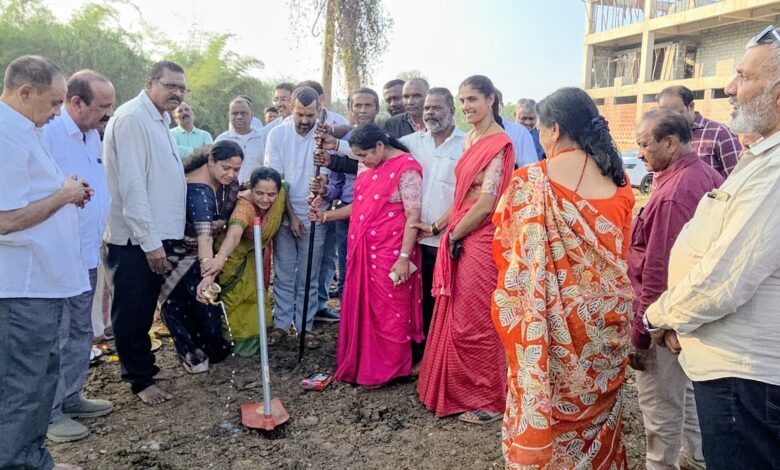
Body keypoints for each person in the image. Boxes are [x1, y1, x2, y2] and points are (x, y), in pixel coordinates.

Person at [644, 25, 780, 469]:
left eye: (744, 76)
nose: (729, 88)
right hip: (732, 372)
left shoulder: (775, 171)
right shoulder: (761, 157)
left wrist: (658, 317)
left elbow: (725, 278)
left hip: (748, 380)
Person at [492, 87, 634, 467]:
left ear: (553, 130)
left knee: (549, 408)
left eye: (540, 129)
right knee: (600, 416)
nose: (539, 137)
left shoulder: (528, 182)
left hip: (548, 327)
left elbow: (509, 254)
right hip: (606, 323)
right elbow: (620, 252)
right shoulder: (620, 182)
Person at [0, 55, 91, 470]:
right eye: (54, 102)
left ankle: (32, 459)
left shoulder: (26, 131)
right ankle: (20, 463)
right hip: (22, 286)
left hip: (40, 282)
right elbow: (5, 220)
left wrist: (65, 191)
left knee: (38, 378)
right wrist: (63, 196)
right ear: (24, 92)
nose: (58, 112)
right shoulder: (6, 136)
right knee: (23, 383)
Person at [628, 108, 723, 470]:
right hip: (691, 315)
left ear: (669, 143)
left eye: (644, 145)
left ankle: (662, 465)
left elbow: (658, 271)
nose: (640, 154)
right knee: (688, 394)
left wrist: (641, 335)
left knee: (660, 407)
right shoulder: (704, 175)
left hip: (665, 319)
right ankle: (697, 458)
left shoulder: (675, 193)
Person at [417, 75, 514, 424]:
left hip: (482, 238)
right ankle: (457, 390)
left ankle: (491, 400)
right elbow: (463, 197)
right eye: (462, 100)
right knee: (456, 316)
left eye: (472, 99)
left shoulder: (499, 143)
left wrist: (454, 235)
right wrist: (437, 228)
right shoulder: (472, 138)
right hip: (461, 232)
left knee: (477, 320)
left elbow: (487, 202)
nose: (466, 106)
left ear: (491, 100)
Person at [309, 124, 423, 386]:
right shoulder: (367, 165)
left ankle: (392, 370)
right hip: (361, 249)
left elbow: (413, 217)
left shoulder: (407, 168)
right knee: (362, 306)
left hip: (392, 251)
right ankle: (364, 365)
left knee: (389, 309)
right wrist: (325, 216)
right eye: (358, 156)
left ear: (380, 146)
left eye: (364, 155)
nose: (361, 161)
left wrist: (404, 258)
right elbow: (360, 206)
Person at [103, 60, 188, 405]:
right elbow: (133, 186)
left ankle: (145, 366)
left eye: (181, 88)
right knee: (132, 309)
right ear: (150, 82)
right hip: (134, 239)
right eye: (170, 85)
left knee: (144, 308)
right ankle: (139, 380)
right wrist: (150, 243)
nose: (177, 93)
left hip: (154, 234)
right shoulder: (132, 119)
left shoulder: (159, 119)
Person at [43, 70, 116, 443]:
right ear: (77, 103)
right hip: (58, 255)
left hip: (86, 253)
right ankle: (49, 414)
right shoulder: (50, 134)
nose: (109, 113)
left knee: (80, 331)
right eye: (103, 106)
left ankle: (71, 396)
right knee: (56, 337)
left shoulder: (91, 136)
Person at [159, 141, 241, 372]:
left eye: (236, 170)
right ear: (211, 160)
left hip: (191, 253)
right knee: (186, 304)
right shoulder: (199, 191)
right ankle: (193, 355)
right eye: (226, 168)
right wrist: (208, 272)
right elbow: (205, 237)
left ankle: (206, 351)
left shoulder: (211, 180)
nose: (231, 174)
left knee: (197, 305)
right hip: (177, 255)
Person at [263, 86, 330, 348]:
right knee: (283, 273)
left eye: (310, 115)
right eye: (300, 114)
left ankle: (304, 326)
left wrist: (321, 192)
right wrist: (291, 216)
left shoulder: (324, 137)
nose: (304, 120)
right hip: (284, 215)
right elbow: (277, 182)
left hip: (315, 217)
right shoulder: (277, 135)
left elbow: (328, 177)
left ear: (319, 110)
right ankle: (281, 324)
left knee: (308, 275)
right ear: (291, 108)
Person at [402, 87, 465, 362]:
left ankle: (439, 357)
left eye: (436, 107)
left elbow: (469, 194)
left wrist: (439, 227)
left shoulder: (466, 144)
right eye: (427, 108)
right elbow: (374, 149)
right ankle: (418, 354)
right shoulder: (411, 142)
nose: (430, 113)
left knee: (441, 299)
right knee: (414, 299)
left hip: (447, 238)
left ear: (451, 110)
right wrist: (336, 147)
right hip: (414, 237)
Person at [200, 167, 287, 357]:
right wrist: (220, 258)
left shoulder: (282, 192)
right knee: (237, 300)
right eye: (259, 193)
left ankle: (259, 336)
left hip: (255, 254)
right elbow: (233, 235)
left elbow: (284, 195)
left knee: (256, 296)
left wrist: (294, 218)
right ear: (251, 188)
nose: (265, 199)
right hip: (233, 257)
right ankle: (237, 343)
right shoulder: (244, 207)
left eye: (271, 194)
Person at [315, 87, 381, 322]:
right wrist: (325, 191)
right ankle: (349, 327)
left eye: (368, 105)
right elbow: (336, 183)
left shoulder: (384, 138)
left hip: (380, 217)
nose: (362, 110)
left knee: (377, 274)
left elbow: (373, 162)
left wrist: (335, 150)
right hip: (347, 213)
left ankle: (373, 327)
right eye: (357, 106)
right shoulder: (342, 139)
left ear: (377, 109)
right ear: (350, 109)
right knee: (348, 270)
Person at [657, 85, 742, 178]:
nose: (670, 119)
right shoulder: (662, 136)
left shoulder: (720, 133)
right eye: (665, 113)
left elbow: (737, 178)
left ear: (691, 106)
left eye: (675, 113)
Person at [216, 96, 266, 183]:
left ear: (251, 115)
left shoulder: (264, 138)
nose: (239, 117)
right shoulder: (221, 140)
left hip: (257, 189)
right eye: (235, 113)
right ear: (229, 116)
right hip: (228, 189)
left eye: (243, 113)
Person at [496, 89, 538, 167]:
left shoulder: (521, 133)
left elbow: (531, 168)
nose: (527, 122)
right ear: (515, 115)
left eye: (531, 118)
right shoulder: (472, 135)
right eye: (523, 118)